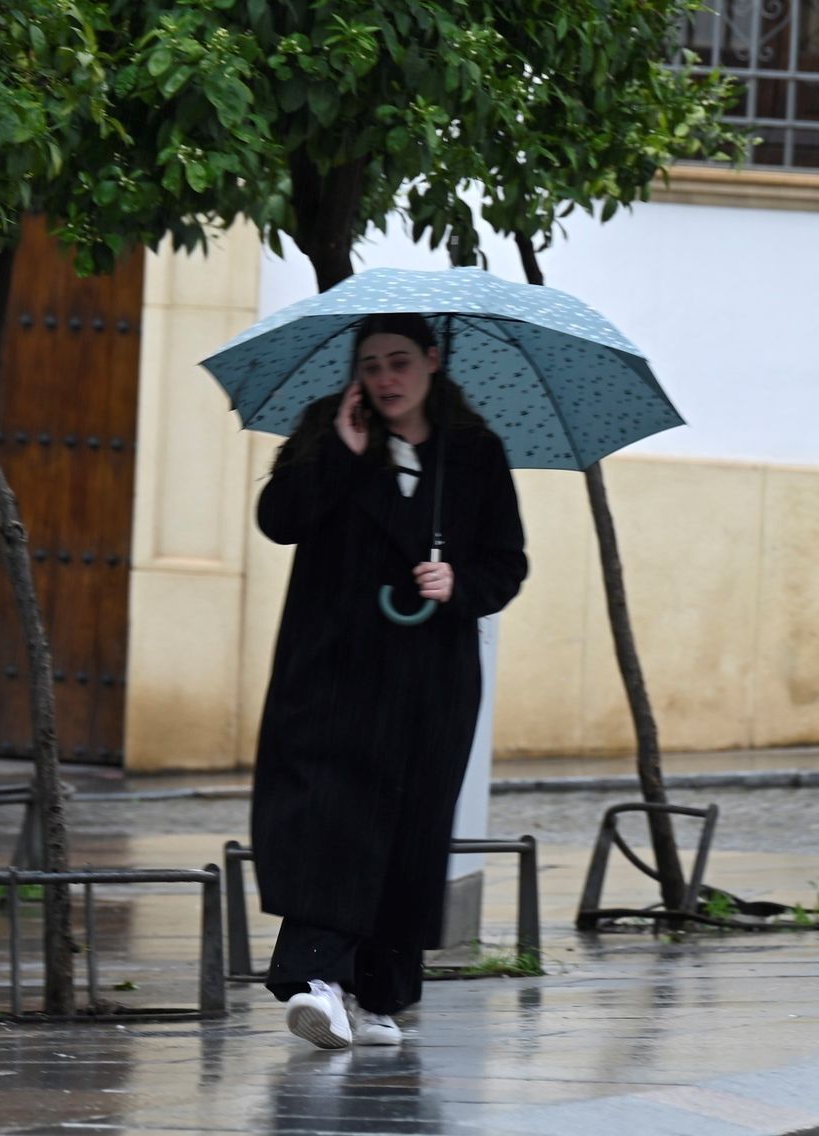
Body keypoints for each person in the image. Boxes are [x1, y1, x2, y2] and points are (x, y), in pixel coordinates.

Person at [250, 312, 528, 1049]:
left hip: (429, 679)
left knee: (410, 827)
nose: (385, 379)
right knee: (331, 819)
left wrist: (457, 582)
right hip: (333, 667)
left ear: (434, 361)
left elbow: (508, 562)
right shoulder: (327, 428)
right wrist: (340, 456)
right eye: (371, 365)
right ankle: (315, 981)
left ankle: (377, 994)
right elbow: (277, 519)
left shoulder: (474, 453)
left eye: (400, 362)